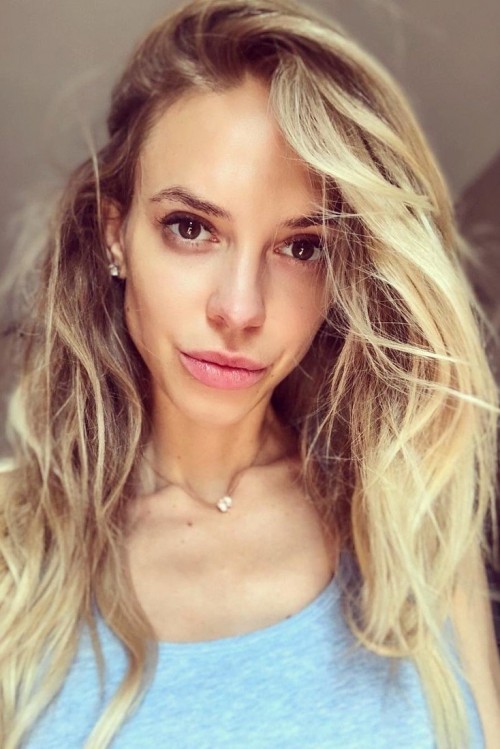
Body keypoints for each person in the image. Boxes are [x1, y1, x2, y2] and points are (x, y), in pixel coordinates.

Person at [1, 0, 499, 746]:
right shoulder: (13, 549)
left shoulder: (413, 523)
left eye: (302, 247)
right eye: (191, 228)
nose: (240, 309)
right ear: (116, 236)